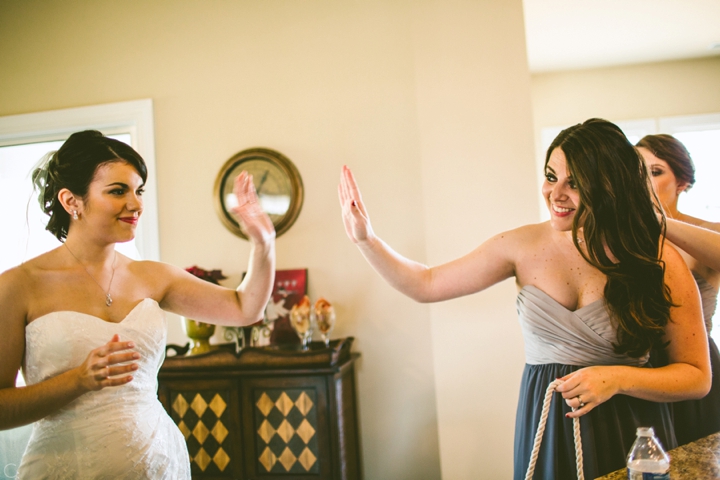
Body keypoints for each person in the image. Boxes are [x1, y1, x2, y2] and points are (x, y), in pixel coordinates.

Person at [338, 119, 711, 479]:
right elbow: (426, 283)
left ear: (609, 185)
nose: (555, 193)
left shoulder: (656, 257)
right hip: (547, 427)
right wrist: (366, 240)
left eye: (575, 183)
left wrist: (617, 378)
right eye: (551, 177)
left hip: (630, 429)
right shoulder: (521, 245)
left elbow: (697, 377)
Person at [0, 130, 276, 479]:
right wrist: (78, 380)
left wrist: (264, 245)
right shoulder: (18, 285)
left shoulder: (154, 277)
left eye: (138, 190)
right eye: (118, 191)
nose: (136, 204)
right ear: (72, 201)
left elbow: (244, 308)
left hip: (160, 464)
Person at [636, 133, 720, 445]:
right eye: (636, 170)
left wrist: (658, 222)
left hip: (695, 369)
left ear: (682, 182)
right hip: (636, 369)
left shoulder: (709, 233)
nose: (642, 180)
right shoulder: (620, 241)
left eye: (655, 171)